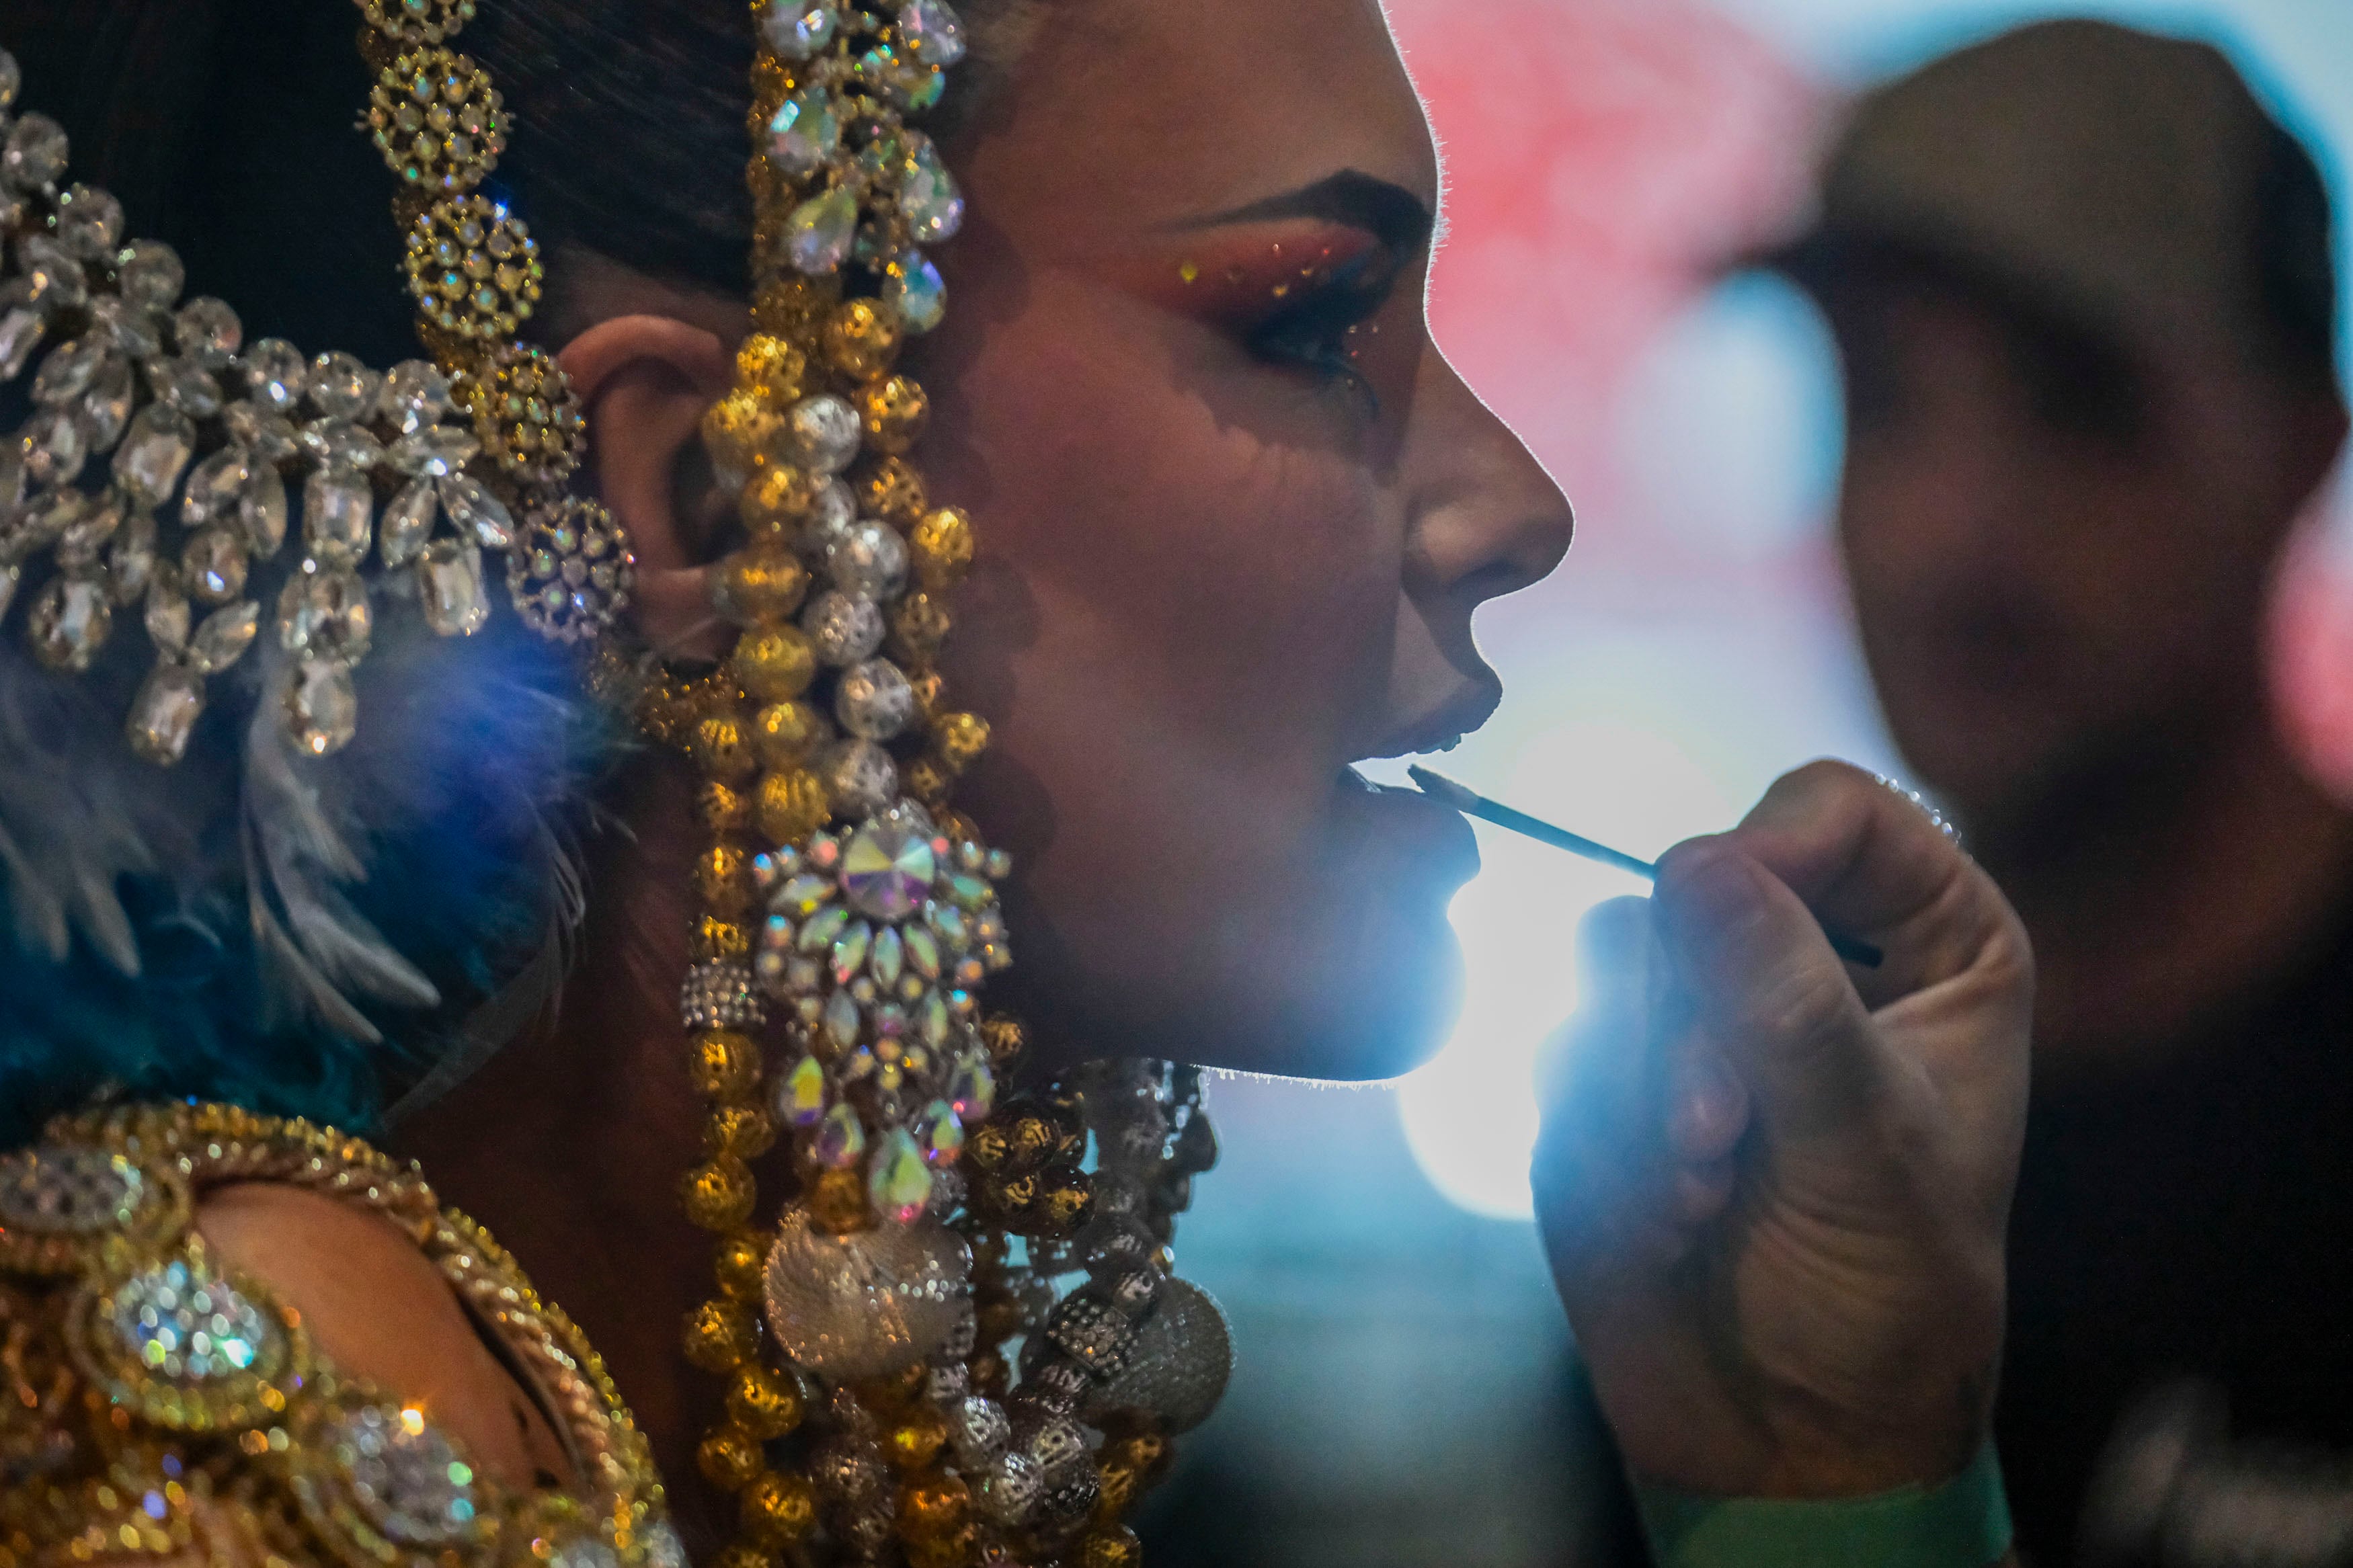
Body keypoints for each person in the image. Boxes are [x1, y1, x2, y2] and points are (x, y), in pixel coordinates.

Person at [0, 3, 2030, 1567]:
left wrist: (1817, 1468)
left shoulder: (764, 1432)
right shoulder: (264, 1412)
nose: (1516, 508)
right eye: (1310, 317)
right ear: (717, 489)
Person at [1771, 19, 2353, 1565]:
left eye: (2079, 402)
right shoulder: (1777, 1108)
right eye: (1881, 398)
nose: (1949, 532)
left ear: (2306, 449)